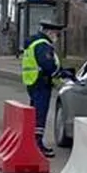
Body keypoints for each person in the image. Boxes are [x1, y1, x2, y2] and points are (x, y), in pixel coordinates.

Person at [20, 20, 69, 158]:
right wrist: (60, 73)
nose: (57, 37)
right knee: (40, 114)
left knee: (35, 113)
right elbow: (47, 64)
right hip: (41, 82)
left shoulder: (34, 43)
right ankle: (37, 144)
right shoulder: (42, 45)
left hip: (33, 81)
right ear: (50, 32)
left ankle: (34, 142)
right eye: (57, 34)